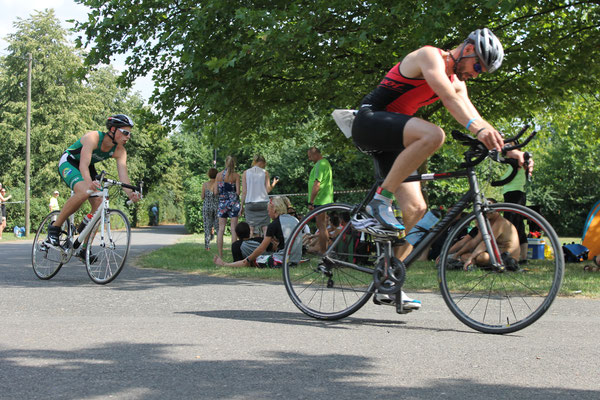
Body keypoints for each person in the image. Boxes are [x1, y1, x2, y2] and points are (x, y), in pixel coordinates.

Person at [351, 28, 530, 310]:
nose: (476, 73)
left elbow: (475, 115)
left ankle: (387, 279)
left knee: (416, 210)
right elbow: (447, 98)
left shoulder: (459, 82)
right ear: (468, 49)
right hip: (370, 121)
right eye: (478, 66)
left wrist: (509, 149)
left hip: (394, 139)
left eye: (482, 72)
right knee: (434, 135)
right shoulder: (429, 56)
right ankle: (378, 202)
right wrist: (477, 130)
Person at [45, 114, 141, 261]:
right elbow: (83, 164)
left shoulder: (120, 151)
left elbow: (123, 176)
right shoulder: (93, 137)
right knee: (85, 191)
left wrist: (130, 194)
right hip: (70, 162)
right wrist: (90, 183)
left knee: (101, 202)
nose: (128, 137)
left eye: (130, 134)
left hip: (87, 167)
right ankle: (55, 228)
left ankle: (84, 249)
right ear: (113, 129)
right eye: (125, 132)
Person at [214, 196, 302, 267]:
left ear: (274, 210)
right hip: (295, 260)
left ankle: (225, 264)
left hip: (282, 261)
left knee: (252, 260)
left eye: (268, 211)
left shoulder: (274, 224)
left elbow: (261, 248)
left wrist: (248, 259)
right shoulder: (294, 220)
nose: (268, 213)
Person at [241, 155, 278, 237]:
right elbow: (267, 190)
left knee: (250, 228)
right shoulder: (265, 172)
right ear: (263, 163)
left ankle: (250, 247)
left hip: (250, 202)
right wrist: (274, 183)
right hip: (263, 202)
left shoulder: (245, 173)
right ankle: (266, 247)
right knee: (265, 227)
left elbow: (244, 192)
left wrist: (241, 206)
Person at [307, 147, 333, 253]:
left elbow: (317, 183)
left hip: (320, 200)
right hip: (324, 199)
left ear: (315, 155)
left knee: (321, 227)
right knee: (322, 226)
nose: (309, 159)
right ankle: (324, 251)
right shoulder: (325, 163)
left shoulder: (320, 164)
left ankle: (323, 252)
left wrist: (311, 201)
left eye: (310, 156)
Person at [215, 156, 241, 258]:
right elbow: (238, 192)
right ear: (233, 164)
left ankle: (220, 255)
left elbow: (216, 191)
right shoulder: (236, 176)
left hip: (222, 203)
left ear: (225, 163)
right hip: (233, 203)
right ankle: (234, 255)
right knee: (234, 229)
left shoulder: (218, 175)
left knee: (221, 229)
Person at [501, 167, 528, 263]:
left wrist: (496, 182)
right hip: (512, 194)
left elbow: (507, 178)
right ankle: (522, 257)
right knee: (518, 224)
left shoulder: (517, 162)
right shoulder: (513, 164)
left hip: (515, 194)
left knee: (512, 225)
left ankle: (514, 256)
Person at [201, 167, 219, 250]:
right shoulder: (218, 184)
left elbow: (202, 197)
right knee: (218, 227)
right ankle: (219, 244)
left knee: (207, 226)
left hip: (207, 207)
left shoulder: (205, 184)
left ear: (209, 175)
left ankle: (207, 246)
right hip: (216, 206)